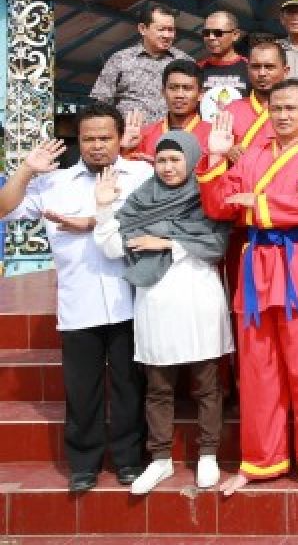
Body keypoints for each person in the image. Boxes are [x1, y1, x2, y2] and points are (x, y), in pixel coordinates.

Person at [198, 79, 298, 496]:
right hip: (257, 269)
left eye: (290, 108)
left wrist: (259, 206)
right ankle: (263, 459)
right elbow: (220, 204)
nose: (282, 116)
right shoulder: (252, 156)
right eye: (276, 108)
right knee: (259, 371)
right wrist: (214, 158)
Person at [0, 104, 153, 492]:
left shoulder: (141, 175)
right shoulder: (55, 182)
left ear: (121, 139)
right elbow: (5, 209)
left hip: (129, 298)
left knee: (128, 387)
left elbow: (147, 221)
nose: (98, 146)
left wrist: (92, 222)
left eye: (105, 138)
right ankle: (83, 464)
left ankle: (128, 460)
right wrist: (25, 170)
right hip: (78, 303)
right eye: (89, 139)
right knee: (82, 389)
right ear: (78, 141)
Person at [92, 131, 233, 494]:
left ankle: (207, 454)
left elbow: (216, 244)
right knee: (158, 387)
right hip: (155, 302)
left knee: (206, 384)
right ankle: (160, 459)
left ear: (191, 160)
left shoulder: (207, 194)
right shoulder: (141, 200)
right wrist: (104, 207)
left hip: (198, 298)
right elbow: (111, 248)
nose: (168, 168)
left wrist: (169, 243)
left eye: (175, 160)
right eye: (162, 160)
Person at [91, 5, 191, 121]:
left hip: (172, 136)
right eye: (161, 29)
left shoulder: (185, 61)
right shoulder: (120, 59)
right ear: (143, 29)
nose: (167, 35)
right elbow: (100, 103)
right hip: (130, 135)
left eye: (171, 30)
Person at [120, 59, 211, 161]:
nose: (179, 95)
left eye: (187, 88)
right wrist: (124, 149)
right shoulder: (143, 136)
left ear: (200, 94)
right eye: (173, 88)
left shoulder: (212, 135)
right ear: (163, 92)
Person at [225, 40, 291, 161]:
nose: (262, 73)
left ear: (285, 71)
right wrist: (226, 153)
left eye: (269, 67)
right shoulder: (231, 110)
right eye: (255, 67)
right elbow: (212, 154)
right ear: (248, 69)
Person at [197, 10, 250, 120]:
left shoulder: (250, 68)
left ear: (235, 35)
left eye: (218, 33)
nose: (211, 37)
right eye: (206, 33)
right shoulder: (197, 69)